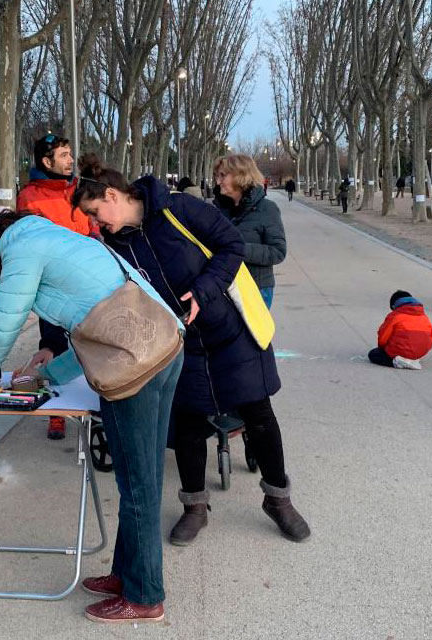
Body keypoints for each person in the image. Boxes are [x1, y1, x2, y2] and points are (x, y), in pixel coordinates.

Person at [71, 153, 310, 550]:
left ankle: (278, 499)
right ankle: (195, 506)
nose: (97, 224)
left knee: (257, 412)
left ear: (113, 194)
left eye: (96, 213)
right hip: (180, 342)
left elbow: (231, 246)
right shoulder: (114, 247)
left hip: (231, 330)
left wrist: (203, 290)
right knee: (188, 424)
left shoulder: (179, 208)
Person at [0, 209, 183, 625]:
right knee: (142, 478)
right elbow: (94, 330)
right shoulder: (63, 240)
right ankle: (128, 575)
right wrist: (47, 373)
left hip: (135, 368)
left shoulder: (21, 249)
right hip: (164, 346)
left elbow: (5, 323)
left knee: (136, 483)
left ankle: (145, 597)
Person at [15, 133, 96, 440]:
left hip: (86, 282)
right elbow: (29, 240)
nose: (70, 160)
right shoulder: (30, 196)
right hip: (52, 286)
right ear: (46, 161)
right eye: (63, 155)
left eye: (70, 154)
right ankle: (56, 412)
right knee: (53, 345)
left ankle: (92, 403)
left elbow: (93, 227)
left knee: (90, 343)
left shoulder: (78, 190)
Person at [213, 154, 286, 309]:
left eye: (222, 176)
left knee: (251, 334)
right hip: (222, 287)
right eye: (217, 176)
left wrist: (237, 249)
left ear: (240, 176)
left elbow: (277, 252)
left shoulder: (267, 209)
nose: (217, 181)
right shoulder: (217, 210)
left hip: (256, 289)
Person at [368, 291, 432, 370]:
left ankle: (399, 361)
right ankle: (411, 359)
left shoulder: (395, 316)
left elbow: (383, 337)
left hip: (399, 351)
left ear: (394, 306)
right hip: (419, 353)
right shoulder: (424, 317)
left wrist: (382, 349)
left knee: (373, 354)